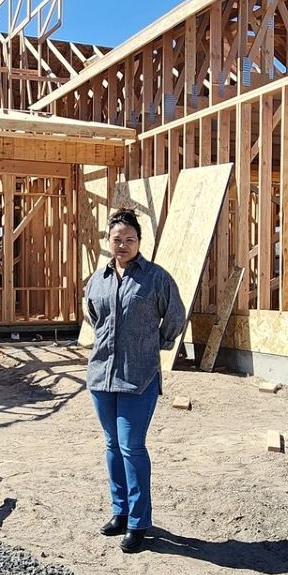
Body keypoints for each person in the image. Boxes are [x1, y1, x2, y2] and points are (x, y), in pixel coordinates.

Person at [84, 208, 186, 553]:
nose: (123, 244)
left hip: (138, 379)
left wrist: (150, 346)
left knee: (131, 446)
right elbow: (94, 316)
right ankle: (120, 512)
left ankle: (140, 523)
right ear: (108, 241)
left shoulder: (156, 278)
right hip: (101, 376)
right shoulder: (97, 279)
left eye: (130, 239)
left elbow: (174, 317)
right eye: (117, 239)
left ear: (139, 242)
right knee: (112, 446)